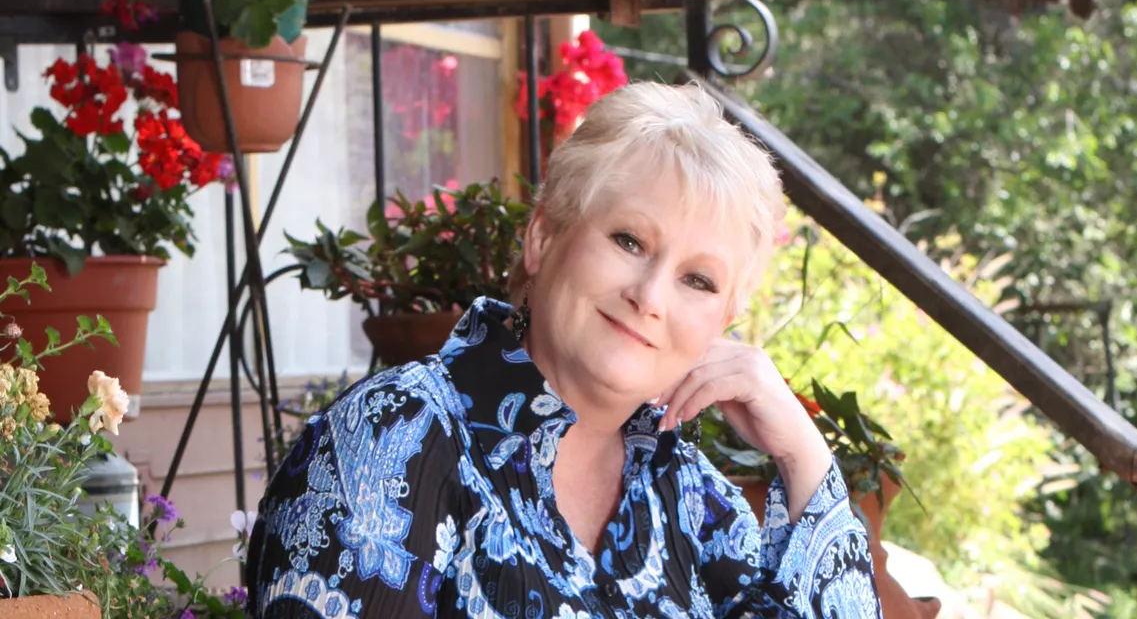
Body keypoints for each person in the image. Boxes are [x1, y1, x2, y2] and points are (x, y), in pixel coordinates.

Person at [246, 81, 882, 618]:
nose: (650, 297)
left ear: (723, 322)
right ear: (543, 238)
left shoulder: (691, 499)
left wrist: (803, 455)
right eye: (629, 241)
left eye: (698, 280)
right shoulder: (395, 437)